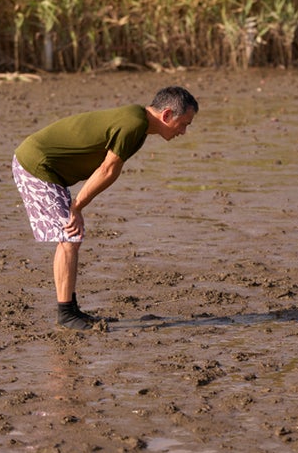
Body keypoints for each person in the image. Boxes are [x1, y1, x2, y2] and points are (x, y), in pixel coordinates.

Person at [12, 86, 198, 330]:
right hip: (36, 165)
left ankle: (70, 310)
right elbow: (108, 170)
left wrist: (77, 205)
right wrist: (76, 207)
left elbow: (109, 170)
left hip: (47, 167)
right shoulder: (134, 125)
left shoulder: (137, 121)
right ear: (166, 115)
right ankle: (66, 314)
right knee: (69, 236)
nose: (183, 131)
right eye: (184, 124)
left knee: (70, 236)